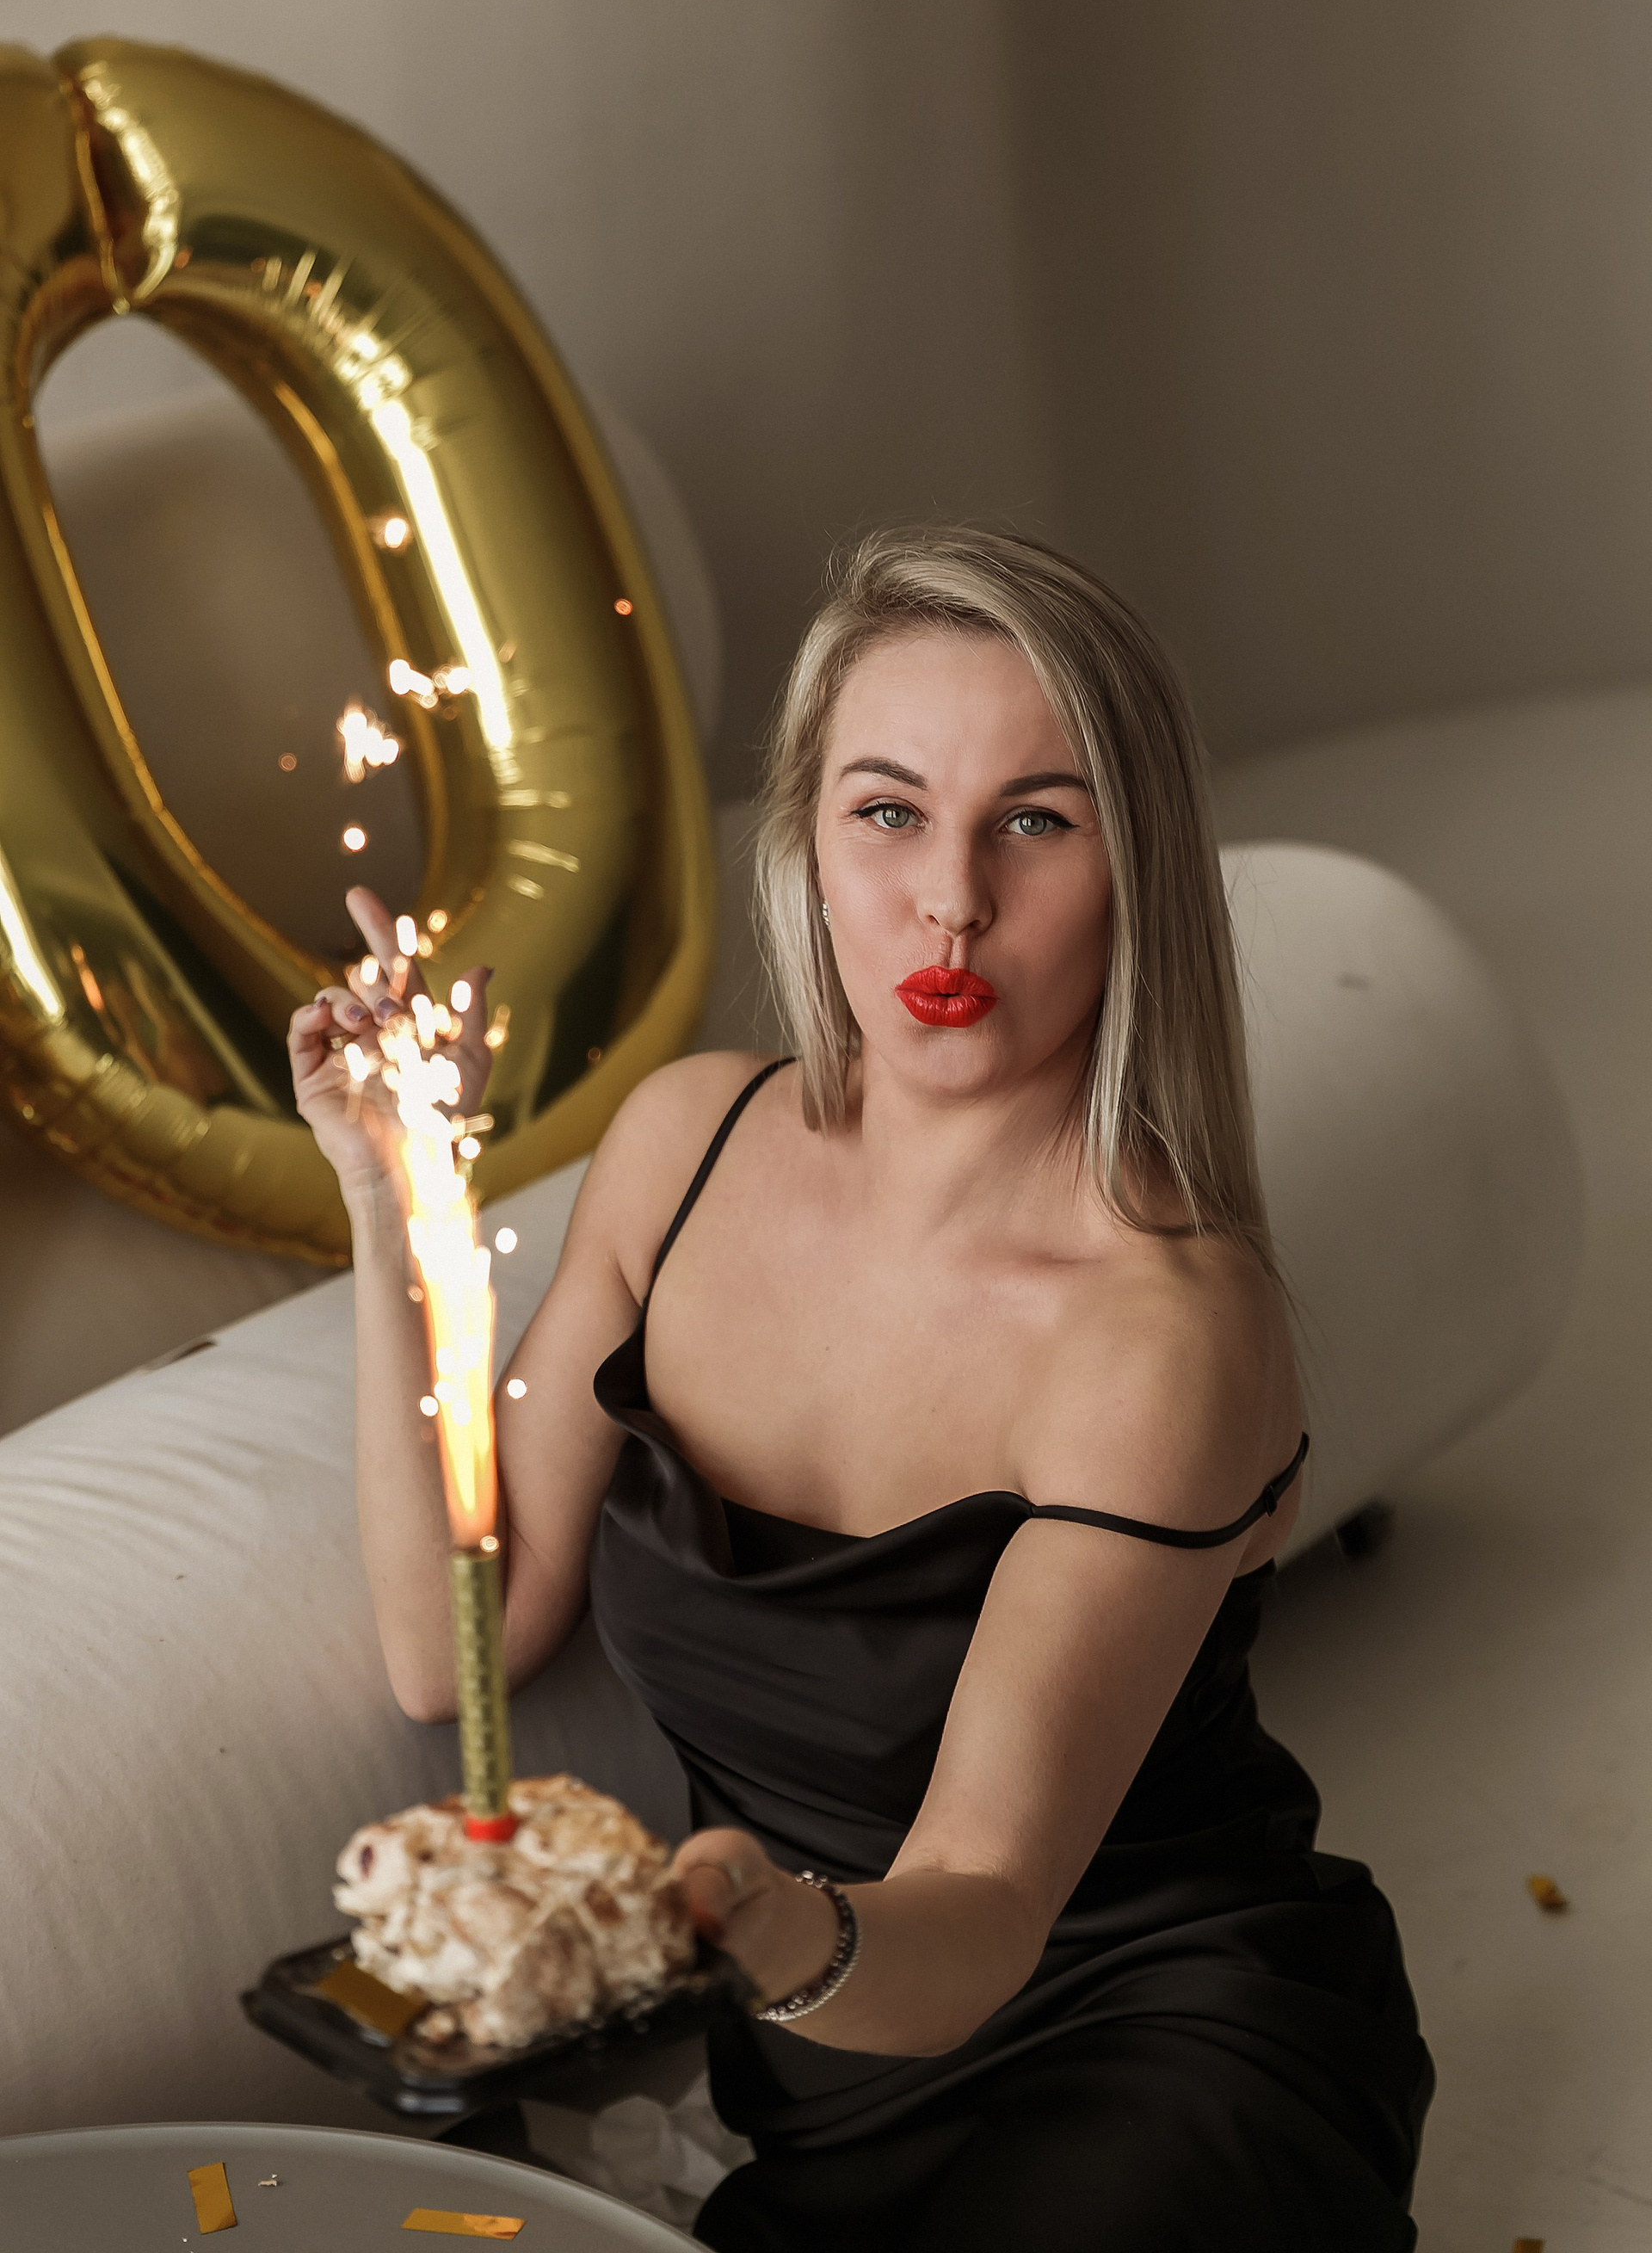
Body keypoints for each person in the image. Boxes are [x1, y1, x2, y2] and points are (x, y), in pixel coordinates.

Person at [289, 527, 1433, 2250]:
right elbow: (449, 1642)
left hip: (1151, 2044)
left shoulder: (1160, 1333)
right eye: (888, 811)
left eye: (1035, 822)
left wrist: (762, 1919)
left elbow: (985, 1904)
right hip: (822, 2085)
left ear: (1138, 870)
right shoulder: (682, 1150)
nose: (951, 899)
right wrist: (395, 1200)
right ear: (806, 847)